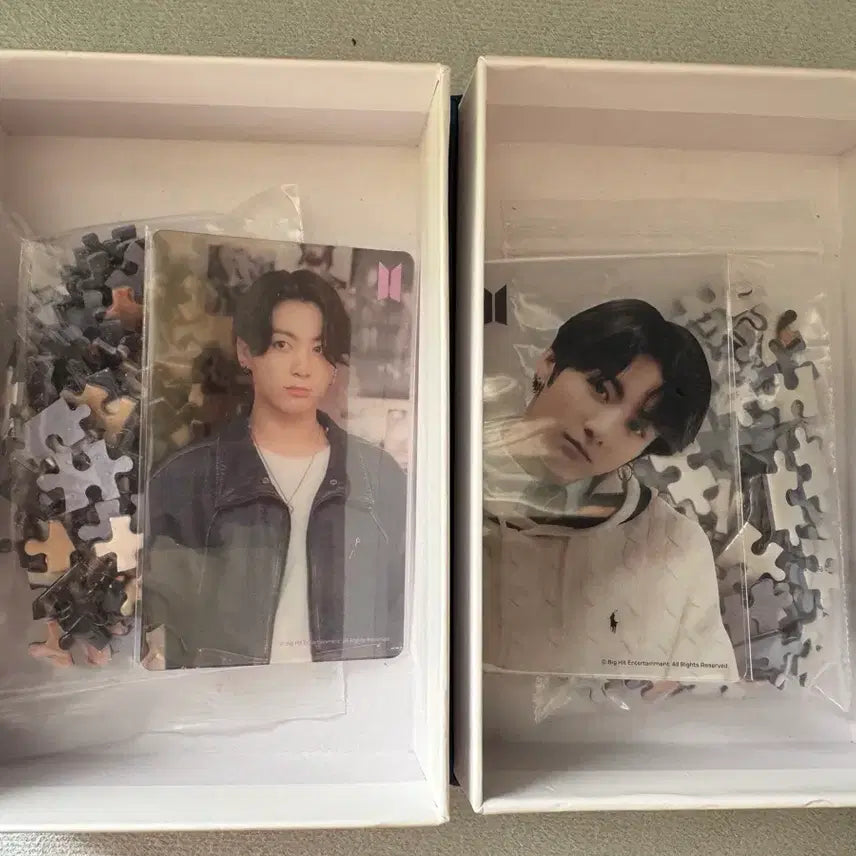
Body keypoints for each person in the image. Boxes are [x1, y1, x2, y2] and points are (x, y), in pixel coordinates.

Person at [142, 269, 407, 669]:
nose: (303, 367)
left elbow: (406, 617)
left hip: (349, 699)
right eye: (283, 344)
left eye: (319, 349)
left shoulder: (379, 478)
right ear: (245, 351)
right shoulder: (185, 479)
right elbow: (149, 623)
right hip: (225, 699)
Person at [483, 299, 739, 683]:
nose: (601, 429)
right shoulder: (431, 479)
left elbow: (700, 707)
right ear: (549, 363)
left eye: (636, 427)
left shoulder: (674, 547)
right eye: (600, 389)